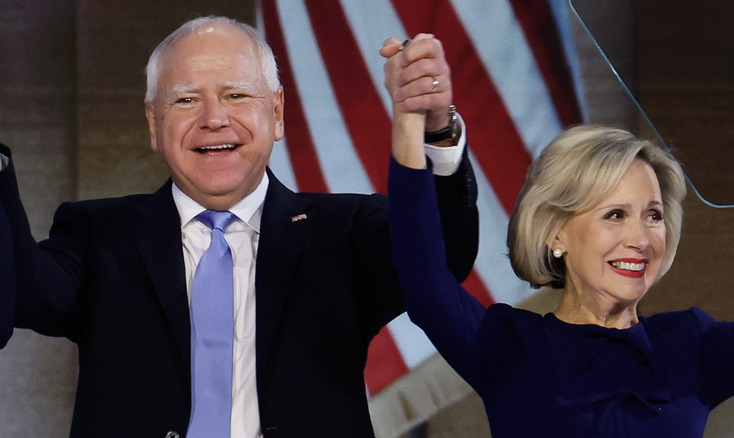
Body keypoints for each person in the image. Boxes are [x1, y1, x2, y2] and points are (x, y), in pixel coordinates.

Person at [0, 17, 478, 437]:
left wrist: (435, 129)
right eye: (186, 100)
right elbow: (22, 291)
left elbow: (441, 259)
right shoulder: (99, 233)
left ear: (277, 113)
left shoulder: (345, 231)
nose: (213, 119)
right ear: (153, 121)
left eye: (235, 95)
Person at [385, 84, 734, 438]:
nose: (640, 239)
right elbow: (424, 282)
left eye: (654, 216)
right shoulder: (511, 348)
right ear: (557, 233)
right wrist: (415, 122)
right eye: (615, 215)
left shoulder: (691, 346)